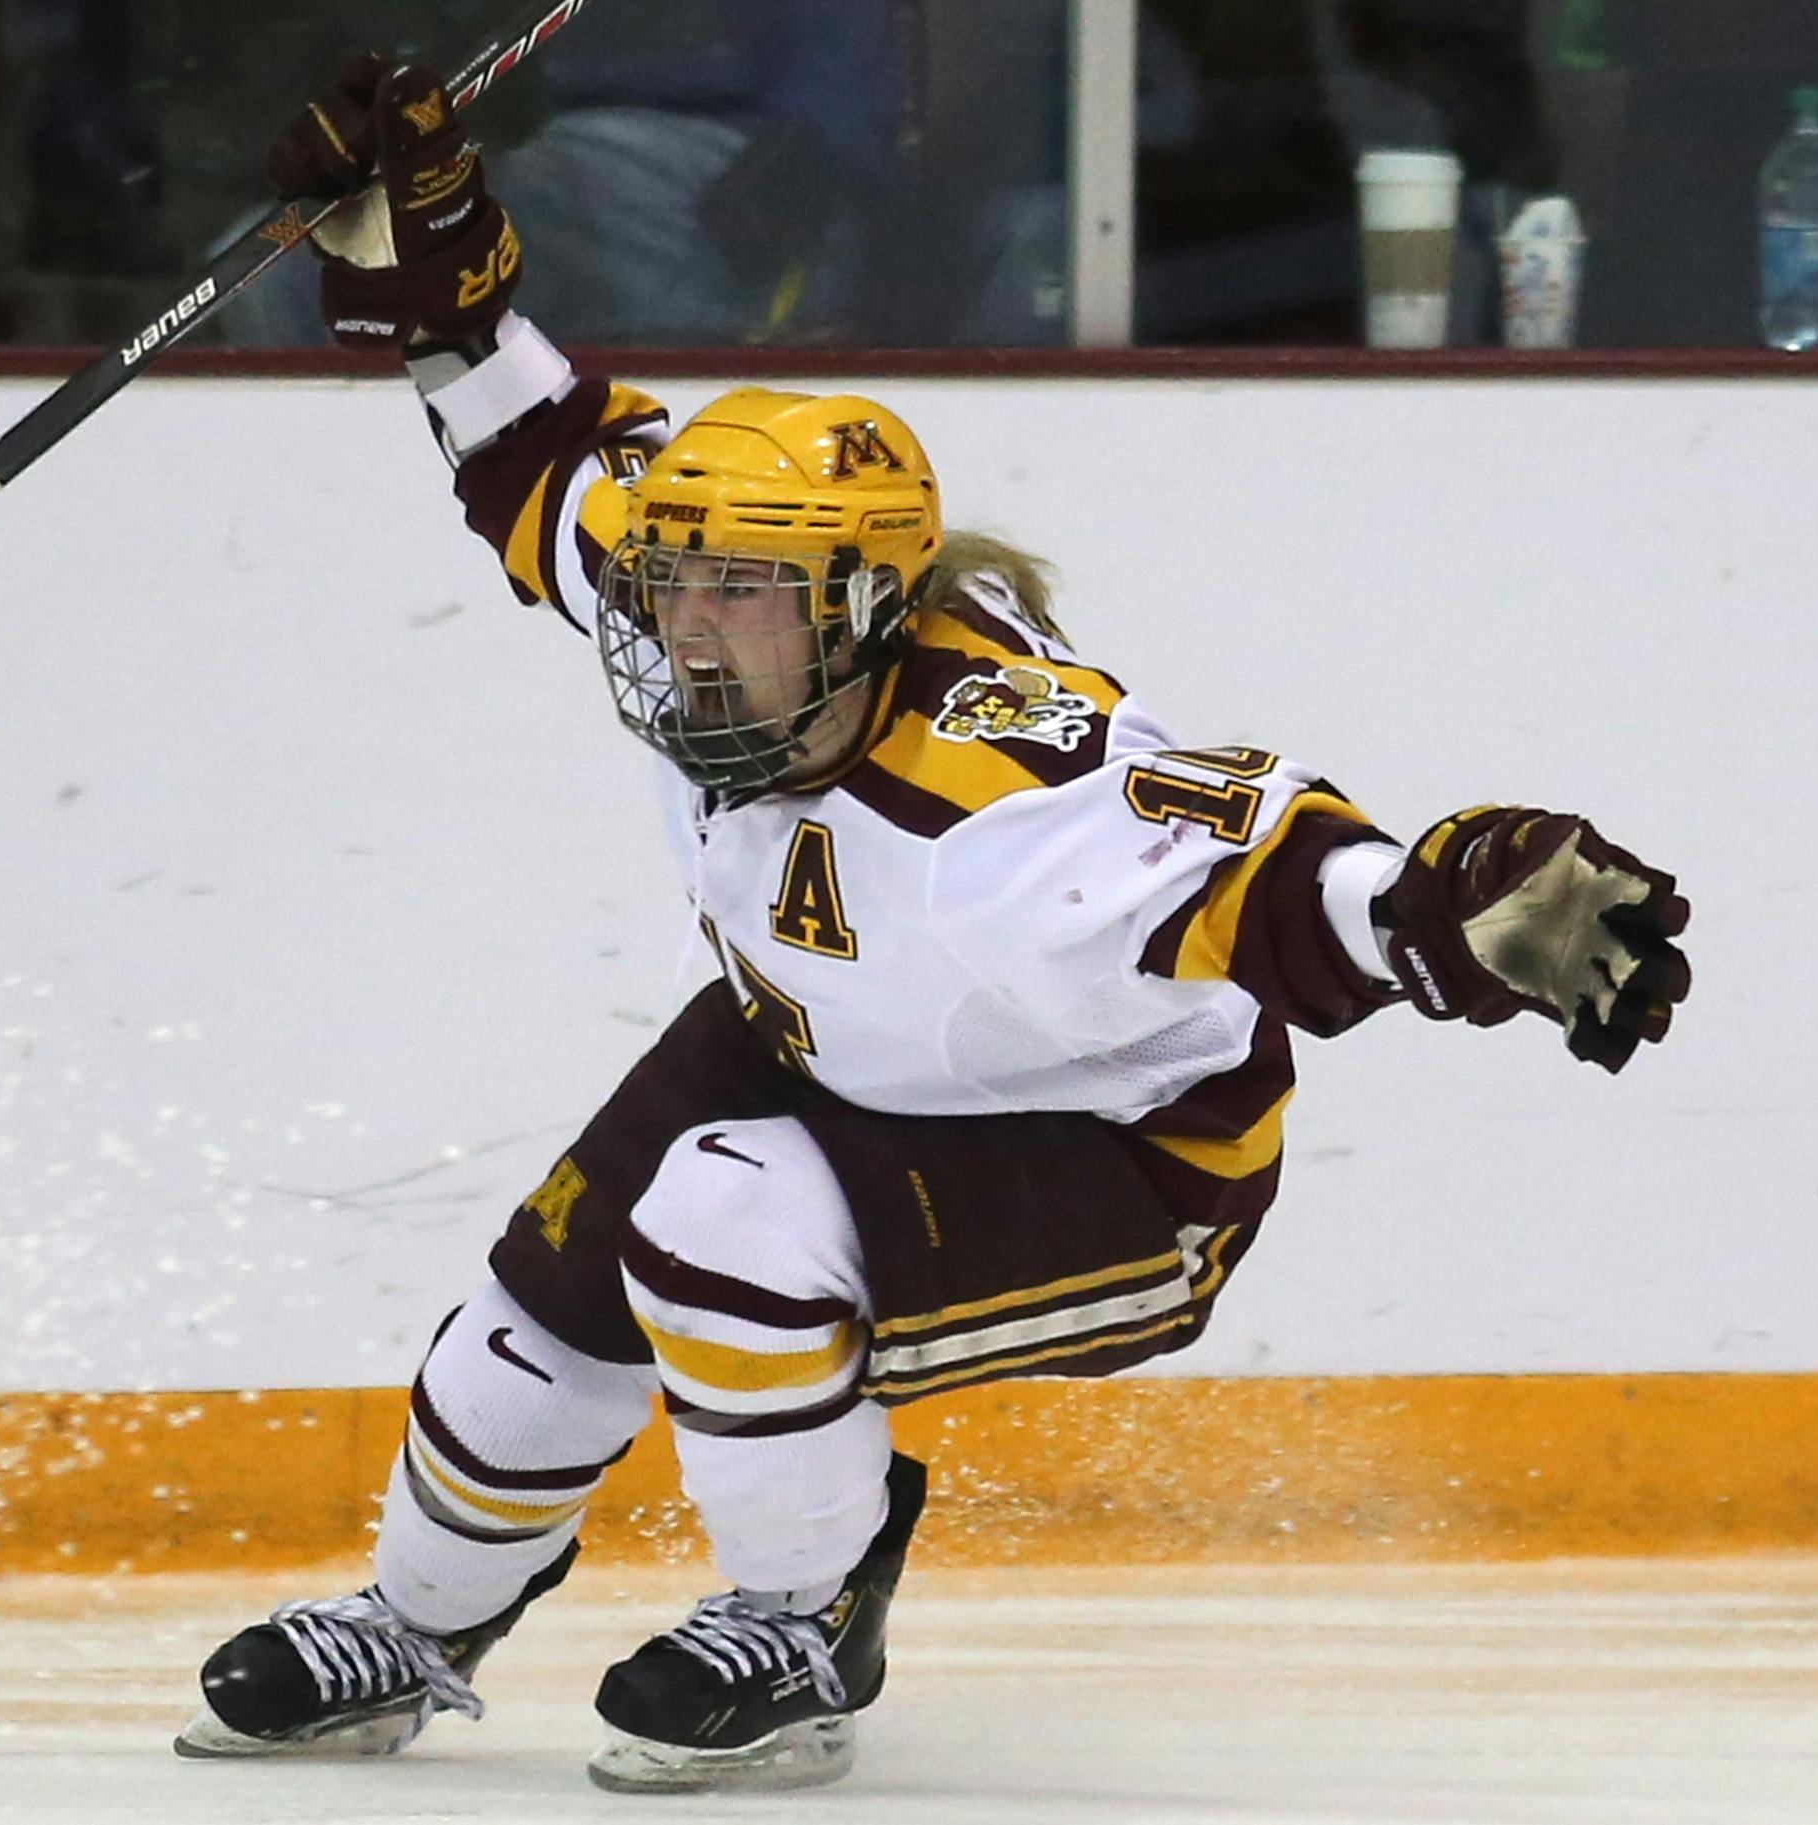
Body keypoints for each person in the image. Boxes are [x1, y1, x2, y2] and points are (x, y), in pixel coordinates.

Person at [172, 59, 1691, 1794]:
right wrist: (423, 243)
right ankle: (420, 1621)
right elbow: (540, 443)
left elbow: (1265, 874)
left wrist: (1445, 906)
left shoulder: (1005, 811)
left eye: (734, 589)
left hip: (1123, 1148)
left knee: (717, 1223)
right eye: (675, 580)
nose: (681, 621)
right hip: (828, 1025)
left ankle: (803, 1619)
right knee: (537, 1310)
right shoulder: (720, 622)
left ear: (863, 608)